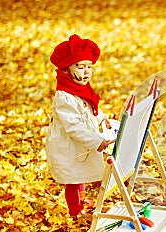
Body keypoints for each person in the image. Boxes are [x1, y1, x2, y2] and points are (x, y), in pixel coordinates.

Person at [46, 34, 114, 218]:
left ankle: (82, 201)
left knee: (80, 173)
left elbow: (90, 109)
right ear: (67, 69)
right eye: (80, 67)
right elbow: (73, 125)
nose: (85, 72)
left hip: (80, 143)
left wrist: (102, 118)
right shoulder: (64, 97)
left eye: (89, 67)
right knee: (73, 178)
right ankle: (75, 211)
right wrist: (96, 140)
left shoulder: (80, 89)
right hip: (69, 144)